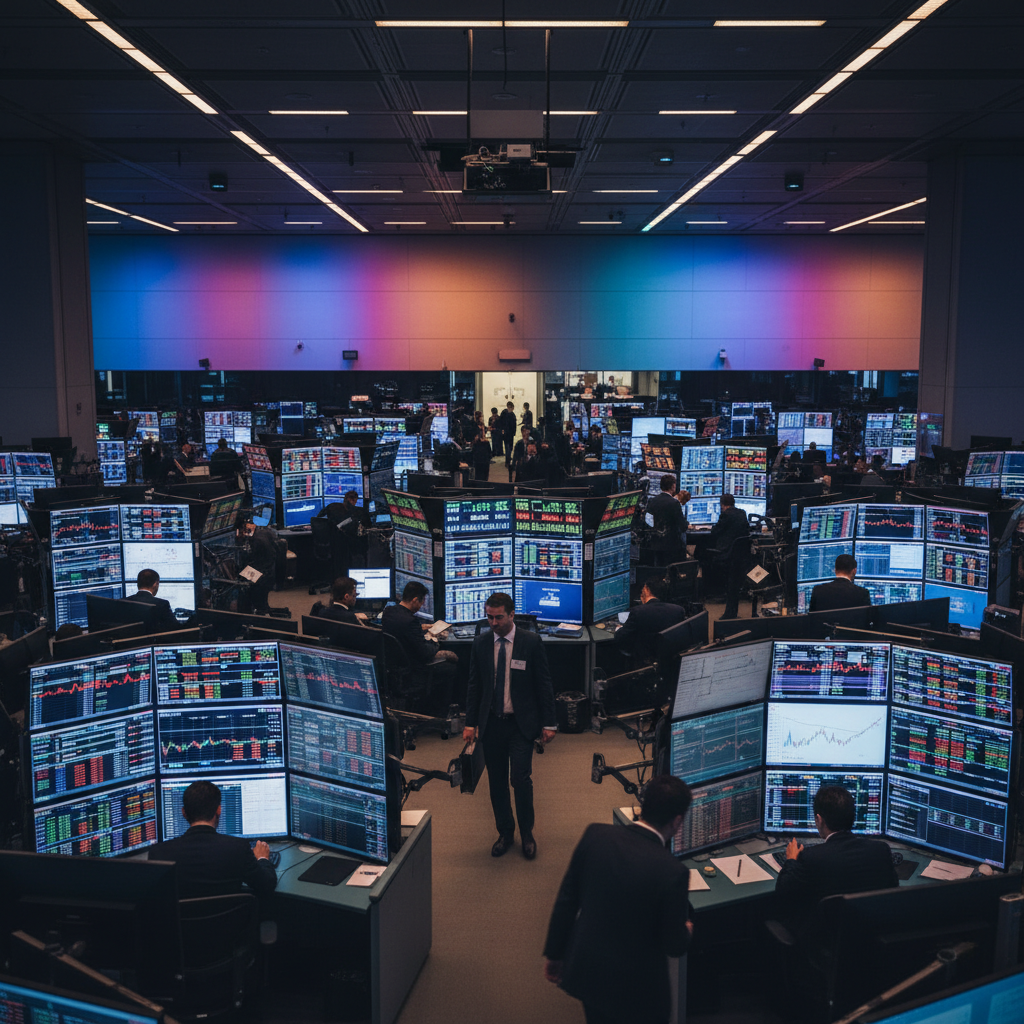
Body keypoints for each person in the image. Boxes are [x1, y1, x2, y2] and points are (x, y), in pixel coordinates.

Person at [543, 775, 694, 1024]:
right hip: (638, 995)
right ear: (677, 821)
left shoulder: (595, 835)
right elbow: (674, 945)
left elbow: (567, 900)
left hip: (589, 975)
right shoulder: (673, 872)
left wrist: (554, 955)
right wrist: (687, 929)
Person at [462, 592, 556, 860]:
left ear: (512, 615)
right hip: (491, 724)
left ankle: (527, 833)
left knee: (520, 779)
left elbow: (544, 685)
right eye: (489, 617)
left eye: (499, 617)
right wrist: (470, 723)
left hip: (520, 724)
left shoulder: (531, 642)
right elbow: (474, 686)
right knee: (497, 782)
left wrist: (549, 723)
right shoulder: (480, 644)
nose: (493, 623)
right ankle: (505, 832)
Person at [775, 785, 898, 941]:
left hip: (825, 945)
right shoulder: (880, 850)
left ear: (819, 820)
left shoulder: (811, 858)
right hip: (871, 944)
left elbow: (783, 896)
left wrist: (791, 860)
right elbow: (893, 887)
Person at [148, 780, 277, 899]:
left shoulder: (159, 854)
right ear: (219, 810)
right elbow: (267, 885)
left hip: (181, 924)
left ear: (184, 813)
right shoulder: (238, 848)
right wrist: (262, 859)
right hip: (228, 923)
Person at [381, 580, 457, 712]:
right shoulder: (411, 621)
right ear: (415, 600)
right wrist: (434, 639)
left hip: (394, 670)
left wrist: (422, 628)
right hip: (413, 671)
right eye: (421, 602)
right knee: (450, 668)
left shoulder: (389, 612)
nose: (421, 606)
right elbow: (426, 653)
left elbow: (401, 629)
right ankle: (440, 713)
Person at [614, 578, 686, 660]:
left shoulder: (638, 612)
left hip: (643, 660)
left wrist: (618, 629)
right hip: (669, 659)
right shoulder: (678, 610)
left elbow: (621, 637)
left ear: (647, 590)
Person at [709, 493, 751, 620]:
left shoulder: (725, 515)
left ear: (722, 505)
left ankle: (710, 591)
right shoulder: (742, 513)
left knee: (702, 555)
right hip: (741, 556)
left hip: (727, 555)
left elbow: (715, 531)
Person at [235, 514, 277, 614]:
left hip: (259, 574)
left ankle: (246, 611)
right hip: (269, 572)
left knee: (233, 578)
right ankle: (261, 606)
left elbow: (244, 561)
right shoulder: (266, 533)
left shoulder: (253, 541)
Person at [122, 568, 181, 632]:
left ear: (138, 583)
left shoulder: (123, 602)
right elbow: (175, 628)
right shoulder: (162, 604)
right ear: (156, 584)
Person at [646, 473, 686, 566]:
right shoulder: (674, 503)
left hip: (656, 543)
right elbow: (682, 525)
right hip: (672, 545)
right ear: (673, 486)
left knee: (659, 570)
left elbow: (647, 521)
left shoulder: (652, 501)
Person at [500, 401, 517, 468]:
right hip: (508, 433)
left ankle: (508, 459)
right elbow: (513, 424)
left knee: (508, 447)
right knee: (508, 447)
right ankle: (507, 461)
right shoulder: (511, 415)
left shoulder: (504, 413)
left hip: (508, 433)